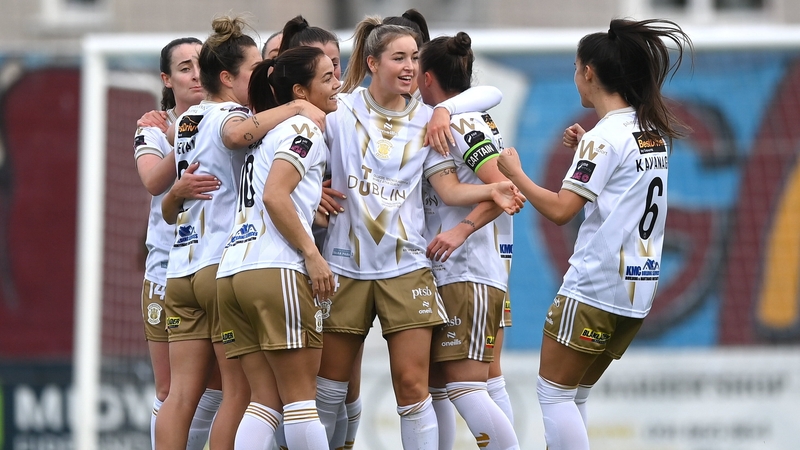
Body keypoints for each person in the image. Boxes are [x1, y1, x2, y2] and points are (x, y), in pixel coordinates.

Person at [316, 17, 523, 450]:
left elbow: (448, 186)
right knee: (328, 391)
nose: (409, 66)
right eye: (399, 58)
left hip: (407, 270)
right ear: (372, 62)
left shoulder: (431, 120)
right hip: (344, 268)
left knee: (415, 389)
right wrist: (309, 192)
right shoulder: (341, 110)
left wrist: (491, 187)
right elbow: (290, 116)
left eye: (414, 58)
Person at [496, 18, 692, 450]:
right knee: (573, 394)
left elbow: (562, 211)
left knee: (552, 393)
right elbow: (623, 180)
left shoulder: (604, 139)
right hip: (637, 290)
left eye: (575, 68)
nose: (575, 77)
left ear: (589, 73)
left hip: (595, 287)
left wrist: (517, 174)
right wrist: (589, 142)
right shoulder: (648, 132)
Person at [155, 15, 326, 450]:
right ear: (228, 77)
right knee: (243, 393)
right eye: (254, 70)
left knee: (180, 395)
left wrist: (174, 195)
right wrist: (295, 106)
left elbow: (170, 202)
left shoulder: (186, 121)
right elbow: (235, 136)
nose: (262, 77)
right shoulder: (232, 115)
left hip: (180, 271)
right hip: (222, 262)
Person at [217, 45, 341, 450]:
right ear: (300, 93)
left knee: (264, 400)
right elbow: (275, 196)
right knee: (302, 400)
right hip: (275, 269)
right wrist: (312, 253)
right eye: (327, 77)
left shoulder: (267, 132)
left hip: (233, 273)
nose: (337, 83)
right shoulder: (302, 129)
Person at [418, 32, 519, 450]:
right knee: (453, 382)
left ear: (426, 78)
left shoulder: (458, 123)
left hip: (468, 270)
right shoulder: (463, 114)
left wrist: (462, 229)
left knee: (466, 386)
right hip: (470, 270)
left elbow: (504, 188)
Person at [133, 36, 225, 450]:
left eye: (200, 64)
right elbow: (154, 181)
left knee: (219, 386)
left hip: (216, 268)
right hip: (166, 271)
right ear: (166, 79)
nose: (194, 74)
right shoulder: (153, 126)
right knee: (172, 390)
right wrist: (185, 136)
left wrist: (195, 127)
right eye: (184, 67)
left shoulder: (229, 117)